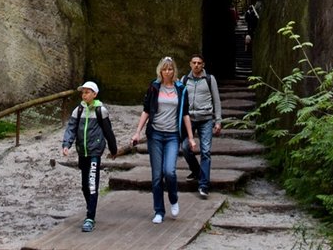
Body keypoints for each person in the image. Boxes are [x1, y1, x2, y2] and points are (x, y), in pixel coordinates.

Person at [130, 56, 198, 224]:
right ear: (160, 71)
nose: (168, 72)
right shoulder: (154, 87)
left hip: (172, 135)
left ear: (174, 71)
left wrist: (190, 137)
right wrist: (137, 132)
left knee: (170, 171)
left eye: (170, 69)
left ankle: (173, 198)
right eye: (165, 69)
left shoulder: (180, 89)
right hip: (156, 135)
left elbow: (185, 114)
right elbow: (146, 110)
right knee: (156, 175)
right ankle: (159, 210)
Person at [62, 81, 118, 232]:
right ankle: (90, 208)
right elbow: (71, 128)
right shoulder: (78, 110)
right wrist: (66, 144)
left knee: (92, 183)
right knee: (85, 186)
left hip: (95, 152)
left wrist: (113, 149)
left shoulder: (101, 111)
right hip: (82, 151)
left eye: (87, 92)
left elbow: (108, 131)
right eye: (83, 92)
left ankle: (90, 217)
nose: (84, 94)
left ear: (95, 94)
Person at [181, 53, 222, 198]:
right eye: (194, 63)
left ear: (203, 65)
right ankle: (197, 171)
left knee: (205, 151)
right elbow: (180, 102)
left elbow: (216, 101)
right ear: (190, 64)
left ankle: (203, 185)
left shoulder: (210, 80)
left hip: (205, 119)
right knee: (185, 147)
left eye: (199, 63)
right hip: (189, 119)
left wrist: (218, 121)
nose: (197, 65)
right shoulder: (184, 80)